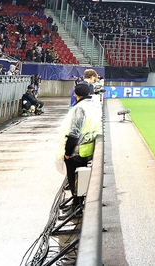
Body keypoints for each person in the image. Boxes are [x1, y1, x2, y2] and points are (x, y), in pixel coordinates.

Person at [57, 83, 102, 217]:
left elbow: (74, 133)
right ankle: (76, 205)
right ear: (89, 94)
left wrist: (67, 152)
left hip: (77, 150)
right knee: (80, 179)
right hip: (87, 148)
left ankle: (76, 208)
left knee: (74, 180)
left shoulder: (79, 108)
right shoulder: (94, 105)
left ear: (76, 95)